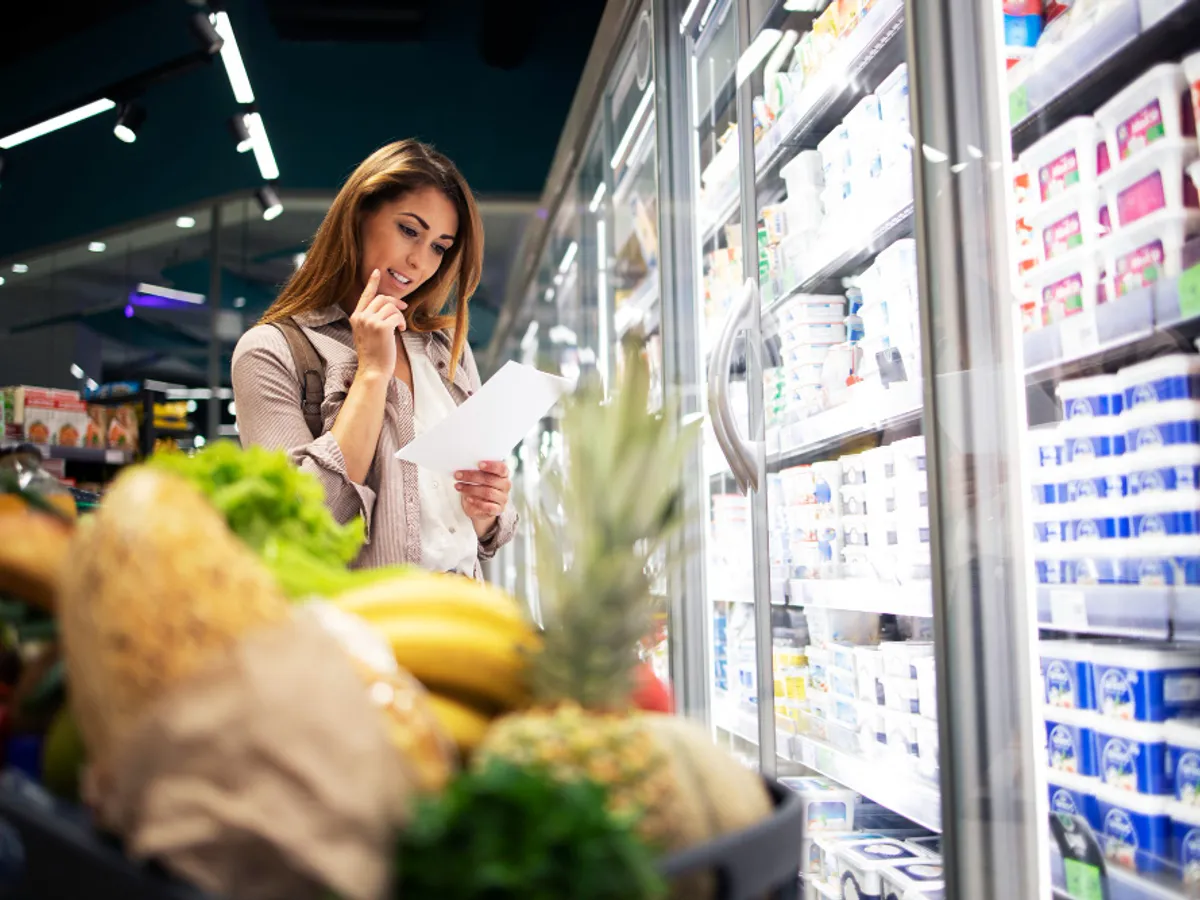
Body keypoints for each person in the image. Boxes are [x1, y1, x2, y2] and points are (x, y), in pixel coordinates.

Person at [231, 139, 516, 578]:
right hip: (362, 617)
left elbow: (479, 532)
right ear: (360, 214)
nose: (420, 262)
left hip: (464, 608)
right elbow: (301, 524)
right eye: (409, 230)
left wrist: (487, 506)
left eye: (439, 247)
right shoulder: (271, 351)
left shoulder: (447, 349)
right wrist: (370, 374)